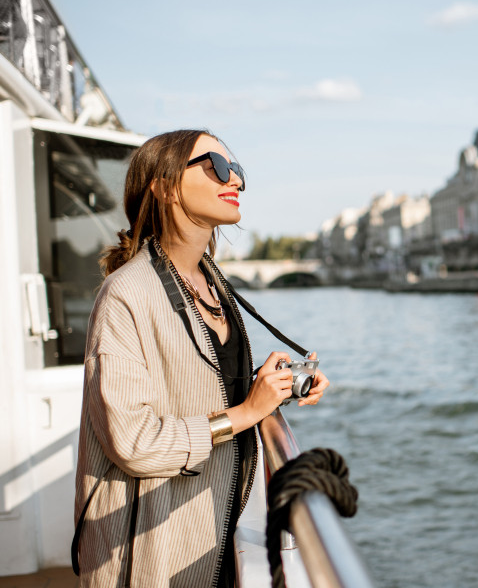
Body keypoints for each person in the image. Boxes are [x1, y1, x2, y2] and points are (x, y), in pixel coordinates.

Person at [73, 129, 330, 587]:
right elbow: (133, 441)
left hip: (213, 527)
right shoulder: (127, 294)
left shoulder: (210, 282)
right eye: (217, 167)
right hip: (154, 554)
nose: (235, 182)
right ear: (166, 185)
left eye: (238, 171)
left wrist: (274, 386)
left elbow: (196, 383)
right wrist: (249, 411)